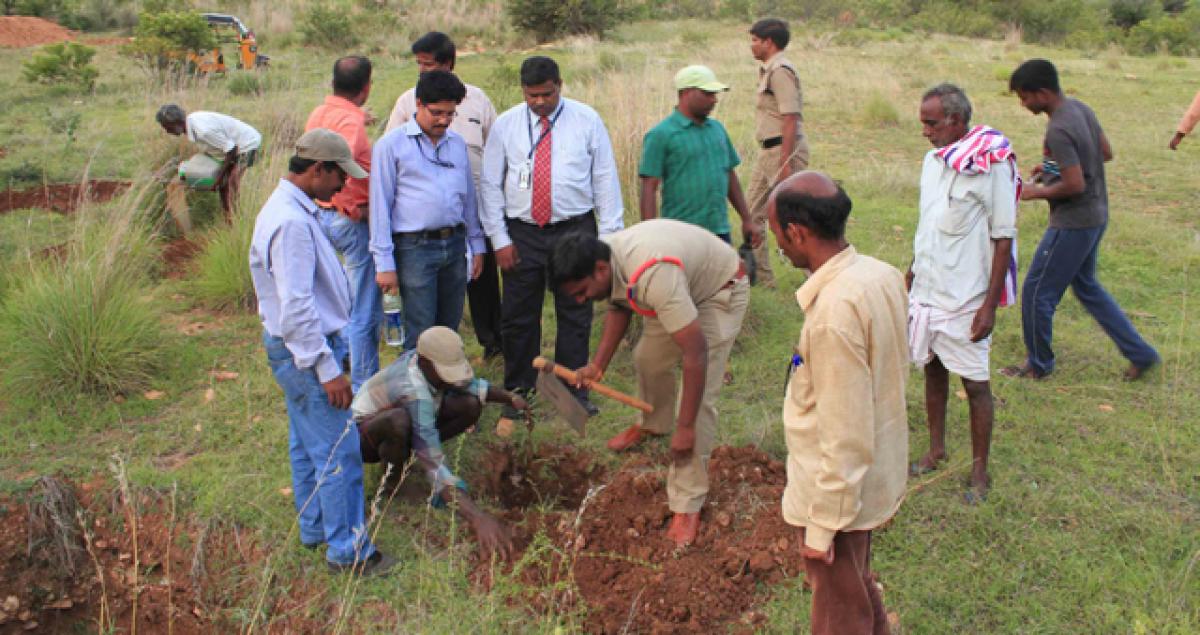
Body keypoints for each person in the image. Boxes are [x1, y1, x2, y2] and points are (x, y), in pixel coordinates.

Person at [249, 128, 395, 576]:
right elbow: (296, 308)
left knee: (305, 443)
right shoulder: (291, 223)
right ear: (318, 170)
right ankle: (348, 552)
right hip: (307, 352)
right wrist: (327, 368)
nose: (342, 186)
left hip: (294, 351)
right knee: (339, 450)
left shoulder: (292, 209)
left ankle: (315, 528)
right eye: (338, 177)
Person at [549, 220, 749, 546]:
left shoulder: (653, 275)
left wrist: (684, 428)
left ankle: (687, 503)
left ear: (599, 269)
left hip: (717, 290)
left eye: (582, 292)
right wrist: (598, 365)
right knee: (648, 359)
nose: (582, 301)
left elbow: (695, 352)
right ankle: (654, 423)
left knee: (696, 405)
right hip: (681, 286)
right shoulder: (605, 257)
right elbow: (619, 304)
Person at [768, 171, 906, 635]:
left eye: (778, 237)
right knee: (855, 583)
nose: (778, 247)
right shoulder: (879, 274)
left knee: (839, 614)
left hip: (837, 492)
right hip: (869, 477)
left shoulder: (833, 315)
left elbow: (845, 436)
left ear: (797, 233)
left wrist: (822, 526)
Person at [480, 56, 624, 417]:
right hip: (522, 233)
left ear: (559, 84)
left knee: (576, 311)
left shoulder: (587, 120)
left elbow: (605, 179)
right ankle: (518, 391)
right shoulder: (506, 125)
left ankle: (571, 392)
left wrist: (608, 241)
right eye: (532, 96)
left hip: (574, 230)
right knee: (518, 315)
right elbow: (490, 184)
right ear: (522, 91)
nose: (540, 102)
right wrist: (499, 239)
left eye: (546, 94)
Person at [1003, 59, 1160, 380]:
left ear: (1043, 93)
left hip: (1073, 222)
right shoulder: (1080, 108)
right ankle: (1141, 354)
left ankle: (1038, 365)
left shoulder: (1059, 127)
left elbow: (1075, 184)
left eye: (1025, 96)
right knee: (1087, 287)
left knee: (1036, 292)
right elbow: (1104, 152)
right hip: (1097, 214)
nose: (1023, 104)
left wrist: (1033, 192)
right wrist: (1053, 167)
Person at [908, 84, 1019, 501]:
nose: (925, 131)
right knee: (932, 367)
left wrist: (988, 307)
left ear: (955, 121)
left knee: (975, 385)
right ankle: (935, 450)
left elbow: (1003, 239)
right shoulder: (932, 162)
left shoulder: (992, 166)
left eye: (931, 123)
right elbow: (928, 224)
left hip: (967, 298)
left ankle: (979, 474)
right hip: (930, 289)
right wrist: (913, 269)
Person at [351, 326, 528, 558]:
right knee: (399, 422)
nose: (451, 377)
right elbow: (435, 466)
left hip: (408, 417)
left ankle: (411, 453)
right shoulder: (413, 389)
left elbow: (472, 386)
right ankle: (394, 484)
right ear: (424, 362)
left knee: (470, 404)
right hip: (364, 437)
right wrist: (478, 518)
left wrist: (511, 398)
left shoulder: (428, 366)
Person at [386, 32, 503, 359]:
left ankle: (491, 340)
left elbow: (494, 148)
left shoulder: (477, 101)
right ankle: (422, 378)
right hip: (419, 230)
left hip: (472, 210)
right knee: (423, 310)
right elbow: (389, 173)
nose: (423, 69)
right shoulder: (407, 104)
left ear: (449, 63)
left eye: (430, 63)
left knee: (481, 282)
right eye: (419, 64)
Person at [370, 70, 486, 351]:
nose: (444, 120)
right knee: (420, 330)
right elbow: (380, 206)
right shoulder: (391, 146)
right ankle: (418, 392)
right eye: (436, 112)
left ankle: (445, 390)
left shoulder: (456, 144)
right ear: (418, 104)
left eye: (450, 114)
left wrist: (477, 244)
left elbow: (468, 198)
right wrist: (384, 264)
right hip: (414, 249)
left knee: (449, 329)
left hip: (455, 245)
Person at [304, 55, 380, 393]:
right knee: (364, 307)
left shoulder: (320, 113)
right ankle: (365, 386)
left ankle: (343, 356)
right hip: (346, 219)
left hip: (322, 215)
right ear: (365, 88)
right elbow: (333, 166)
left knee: (341, 296)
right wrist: (348, 204)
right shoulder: (351, 121)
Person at [639, 65, 760, 247]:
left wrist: (746, 218)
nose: (714, 100)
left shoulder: (717, 130)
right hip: (680, 235)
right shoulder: (661, 135)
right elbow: (649, 187)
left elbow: (729, 175)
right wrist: (650, 234)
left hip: (719, 230)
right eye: (707, 94)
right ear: (686, 92)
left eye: (715, 94)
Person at [745, 18, 809, 288]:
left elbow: (791, 117)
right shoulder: (769, 70)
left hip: (783, 150)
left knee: (798, 218)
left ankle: (822, 274)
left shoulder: (780, 71)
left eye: (755, 40)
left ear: (769, 42)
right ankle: (762, 280)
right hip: (769, 151)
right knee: (752, 212)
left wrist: (785, 164)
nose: (752, 46)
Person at [156, 104, 262, 220]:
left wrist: (217, 180)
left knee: (232, 182)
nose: (167, 131)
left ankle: (237, 220)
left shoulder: (203, 131)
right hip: (232, 147)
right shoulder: (192, 123)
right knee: (224, 183)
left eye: (167, 127)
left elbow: (231, 149)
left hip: (247, 144)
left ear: (175, 123)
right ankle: (228, 218)